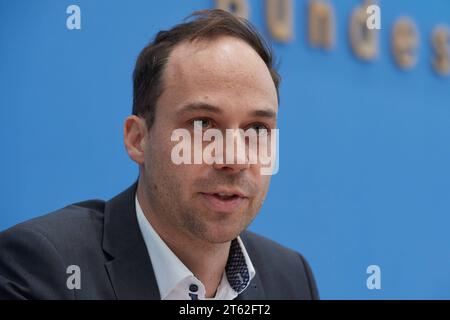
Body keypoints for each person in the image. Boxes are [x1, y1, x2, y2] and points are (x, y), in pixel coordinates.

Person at [0, 9, 318, 300]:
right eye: (202, 124)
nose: (234, 159)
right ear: (138, 139)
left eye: (257, 129)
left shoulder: (290, 279)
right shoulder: (43, 268)